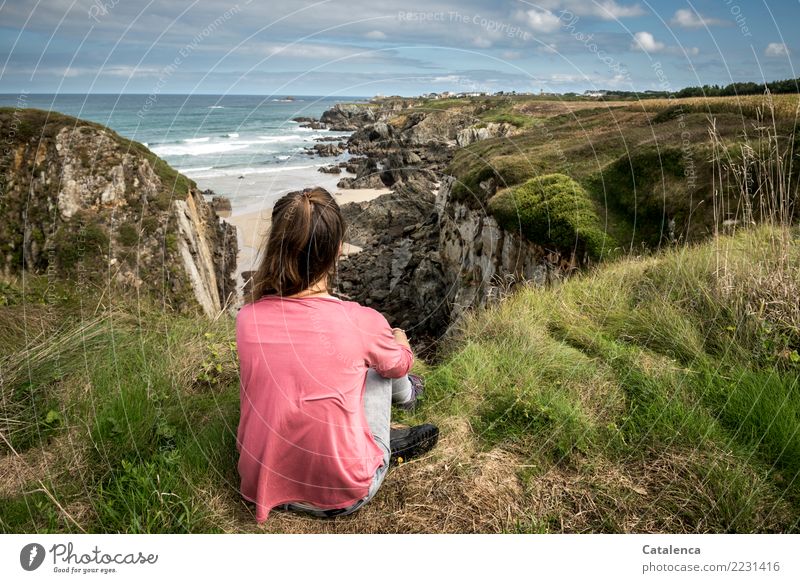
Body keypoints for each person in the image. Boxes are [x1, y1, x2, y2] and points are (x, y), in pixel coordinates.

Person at [235, 186, 439, 523]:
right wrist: (399, 340)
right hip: (341, 494)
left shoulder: (247, 319)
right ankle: (406, 405)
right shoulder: (362, 321)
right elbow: (399, 363)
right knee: (380, 366)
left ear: (277, 246)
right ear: (337, 251)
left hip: (260, 484)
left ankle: (389, 412)